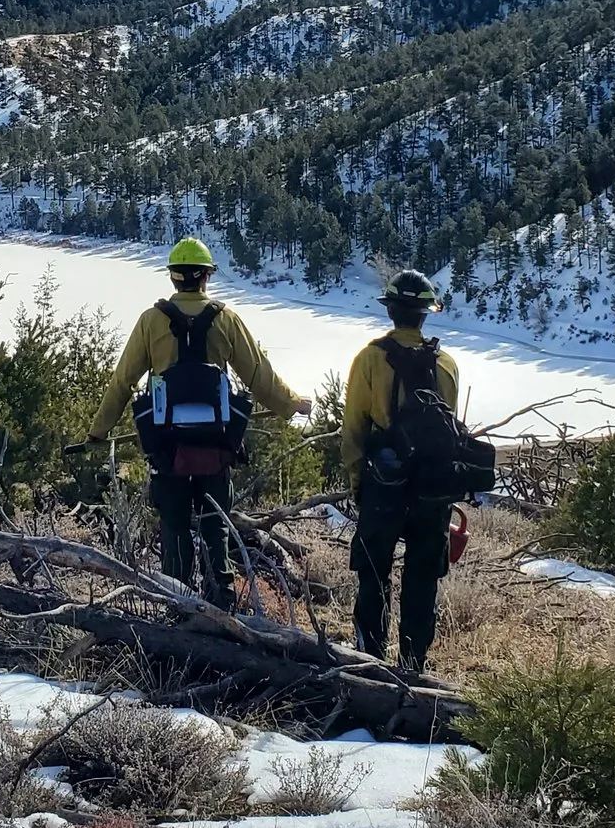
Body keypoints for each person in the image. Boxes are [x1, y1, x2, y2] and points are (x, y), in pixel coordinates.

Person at [94, 237, 310, 608]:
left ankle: (177, 606)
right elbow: (260, 377)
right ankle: (221, 605)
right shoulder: (226, 319)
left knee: (175, 528)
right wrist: (292, 405)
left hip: (167, 449)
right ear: (207, 276)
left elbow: (123, 381)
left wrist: (98, 431)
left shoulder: (151, 321)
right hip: (216, 447)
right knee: (215, 528)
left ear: (173, 277)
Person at [342, 269, 465, 672]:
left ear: (391, 310)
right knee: (422, 579)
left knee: (373, 575)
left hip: (384, 484)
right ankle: (414, 664)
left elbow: (354, 430)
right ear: (425, 314)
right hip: (432, 489)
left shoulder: (369, 359)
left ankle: (369, 661)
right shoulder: (446, 364)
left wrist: (359, 483)